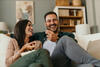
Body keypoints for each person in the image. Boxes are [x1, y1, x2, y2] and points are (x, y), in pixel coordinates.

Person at [31, 11, 100, 67]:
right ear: (45, 24)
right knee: (64, 40)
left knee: (89, 66)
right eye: (49, 21)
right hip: (47, 64)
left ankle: (95, 64)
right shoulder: (38, 36)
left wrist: (57, 39)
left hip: (63, 64)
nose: (52, 23)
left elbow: (73, 48)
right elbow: (24, 38)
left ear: (58, 21)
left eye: (54, 20)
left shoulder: (68, 35)